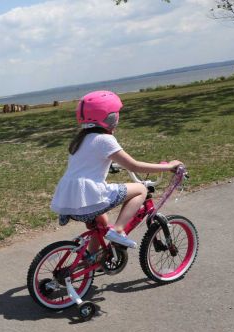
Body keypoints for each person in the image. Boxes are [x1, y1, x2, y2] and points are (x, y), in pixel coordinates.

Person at [50, 90, 182, 249]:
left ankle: (92, 260)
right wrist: (168, 166)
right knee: (140, 189)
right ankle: (119, 230)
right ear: (110, 117)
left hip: (70, 197)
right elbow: (134, 166)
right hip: (89, 195)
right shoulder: (105, 139)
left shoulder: (80, 139)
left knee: (102, 225)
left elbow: (88, 162)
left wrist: (110, 165)